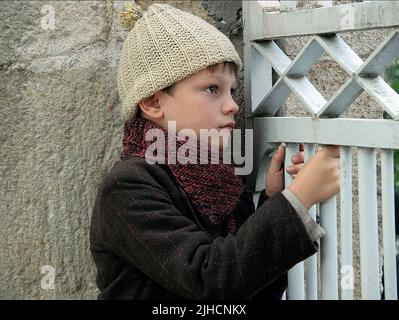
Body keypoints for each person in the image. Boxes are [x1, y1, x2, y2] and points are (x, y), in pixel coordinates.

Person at [89, 2, 340, 300]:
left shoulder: (217, 178)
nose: (232, 104)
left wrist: (274, 200)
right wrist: (298, 198)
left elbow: (251, 283)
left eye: (231, 90)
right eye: (212, 89)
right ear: (154, 103)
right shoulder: (127, 187)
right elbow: (211, 280)